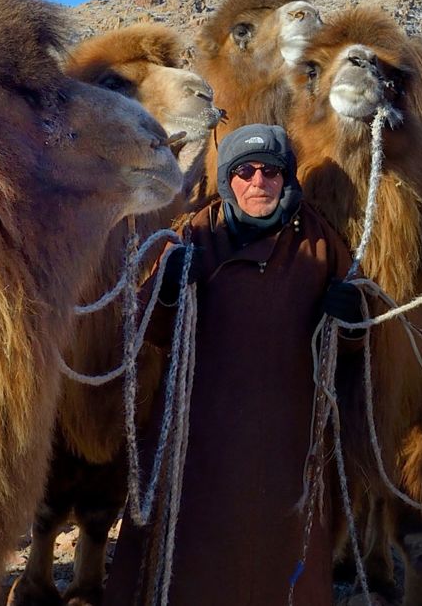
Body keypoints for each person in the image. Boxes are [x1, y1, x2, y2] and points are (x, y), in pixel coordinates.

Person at [103, 123, 364, 606]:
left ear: (287, 178)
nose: (258, 182)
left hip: (287, 442)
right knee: (188, 563)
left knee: (280, 563)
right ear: (228, 178)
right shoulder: (194, 233)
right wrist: (166, 290)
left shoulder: (322, 243)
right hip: (199, 441)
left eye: (271, 171)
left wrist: (351, 319)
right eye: (245, 171)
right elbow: (146, 331)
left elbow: (357, 345)